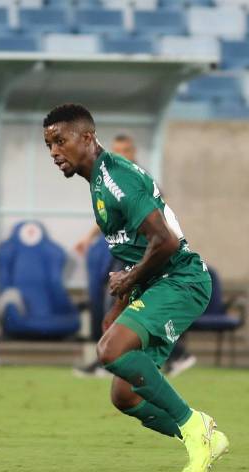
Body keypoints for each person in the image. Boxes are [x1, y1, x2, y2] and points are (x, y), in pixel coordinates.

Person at [43, 104, 228, 472]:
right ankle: (206, 437)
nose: (54, 152)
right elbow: (137, 247)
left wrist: (126, 282)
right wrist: (123, 300)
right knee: (124, 395)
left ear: (87, 137)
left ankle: (194, 425)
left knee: (110, 350)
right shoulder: (98, 181)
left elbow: (166, 242)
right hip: (157, 283)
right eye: (49, 145)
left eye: (60, 141)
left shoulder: (116, 179)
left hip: (182, 280)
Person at [74, 133, 197, 378]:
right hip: (128, 251)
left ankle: (113, 360)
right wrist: (89, 237)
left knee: (126, 305)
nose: (119, 154)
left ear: (133, 153)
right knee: (125, 305)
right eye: (116, 149)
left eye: (125, 150)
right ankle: (172, 355)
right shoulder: (113, 177)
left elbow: (157, 217)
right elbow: (112, 218)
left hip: (142, 253)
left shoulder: (136, 178)